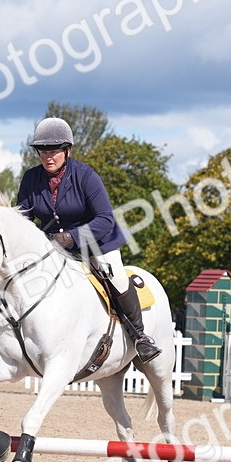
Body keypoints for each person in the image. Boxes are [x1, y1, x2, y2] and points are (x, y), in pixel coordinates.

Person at [16, 117, 161, 362]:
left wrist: (71, 237)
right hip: (53, 246)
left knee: (114, 276)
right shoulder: (31, 179)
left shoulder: (85, 176)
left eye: (54, 151)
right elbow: (24, 219)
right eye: (43, 151)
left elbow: (105, 218)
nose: (48, 156)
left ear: (67, 150)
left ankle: (140, 336)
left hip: (97, 242)